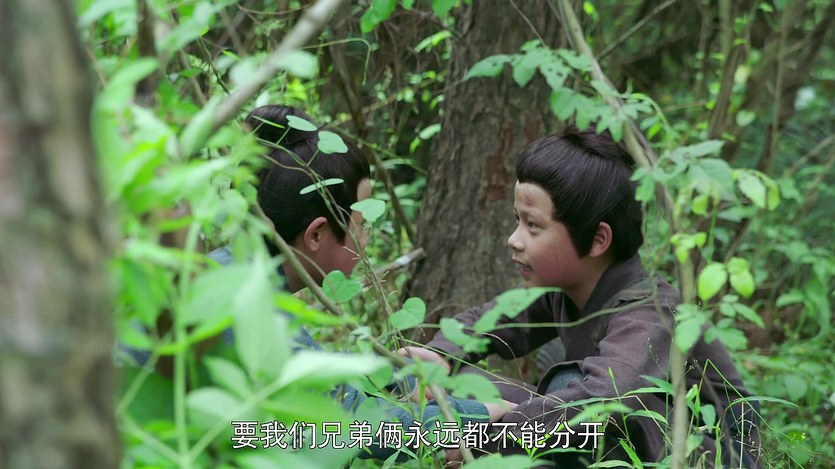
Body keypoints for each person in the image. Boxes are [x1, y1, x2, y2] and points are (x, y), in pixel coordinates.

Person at [400, 127, 761, 467]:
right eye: (517, 221)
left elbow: (602, 400)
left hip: (713, 456)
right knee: (470, 386)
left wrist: (489, 432)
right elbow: (493, 320)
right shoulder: (563, 288)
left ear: (598, 240)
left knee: (575, 402)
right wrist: (440, 354)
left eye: (533, 225)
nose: (514, 239)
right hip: (630, 433)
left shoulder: (651, 309)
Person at [238, 104, 510, 459]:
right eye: (362, 224)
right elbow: (348, 424)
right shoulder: (259, 316)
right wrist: (481, 413)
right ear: (317, 234)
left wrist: (388, 375)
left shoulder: (236, 277)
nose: (367, 240)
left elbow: (323, 381)